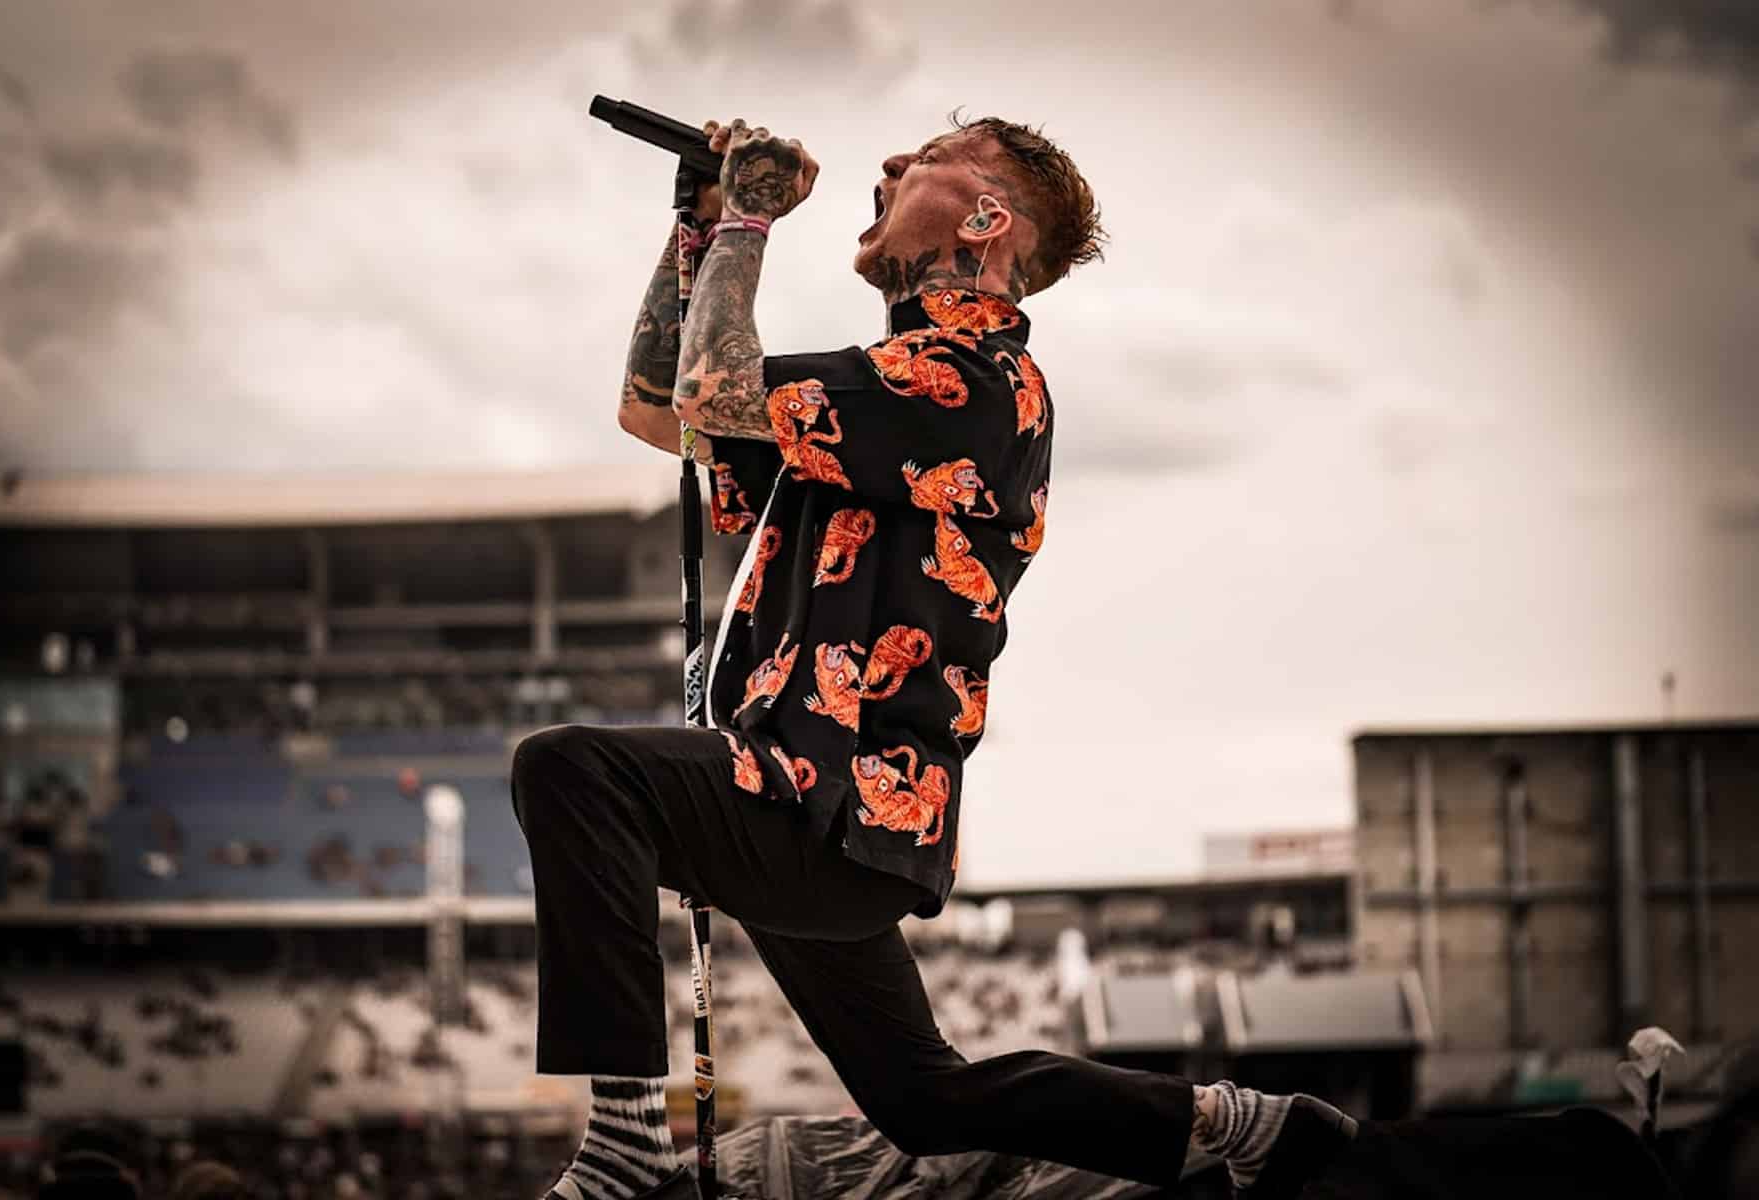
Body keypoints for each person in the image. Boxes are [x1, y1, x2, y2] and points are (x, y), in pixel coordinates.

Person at [514, 114, 1356, 1200]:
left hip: (821, 795)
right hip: (828, 810)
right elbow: (657, 410)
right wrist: (705, 222)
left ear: (987, 218)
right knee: (922, 1100)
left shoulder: (973, 380)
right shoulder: (883, 388)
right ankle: (1248, 1125)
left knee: (574, 770)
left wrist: (754, 217)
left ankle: (625, 1145)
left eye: (924, 162)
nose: (888, 168)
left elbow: (712, 391)